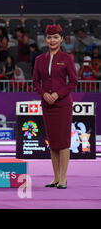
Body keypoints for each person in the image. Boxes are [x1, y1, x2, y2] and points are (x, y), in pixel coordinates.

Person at [32, 24, 78, 189]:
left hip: (63, 105)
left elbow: (73, 82)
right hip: (47, 105)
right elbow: (36, 82)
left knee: (64, 142)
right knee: (52, 142)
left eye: (56, 37)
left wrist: (57, 94)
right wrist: (43, 94)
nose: (52, 40)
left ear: (61, 39)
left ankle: (63, 178)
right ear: (46, 39)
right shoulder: (39, 60)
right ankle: (55, 177)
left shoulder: (67, 58)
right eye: (50, 37)